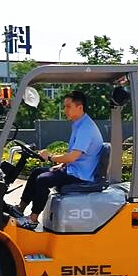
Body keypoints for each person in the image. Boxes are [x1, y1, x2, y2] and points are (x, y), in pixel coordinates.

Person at [16, 90, 104, 229]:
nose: (64, 110)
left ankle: (33, 219)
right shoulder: (79, 124)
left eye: (68, 107)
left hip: (81, 176)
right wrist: (62, 164)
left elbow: (73, 156)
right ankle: (20, 209)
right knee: (36, 172)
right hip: (74, 170)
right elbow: (76, 154)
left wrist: (50, 157)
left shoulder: (86, 128)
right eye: (64, 107)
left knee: (43, 179)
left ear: (79, 107)